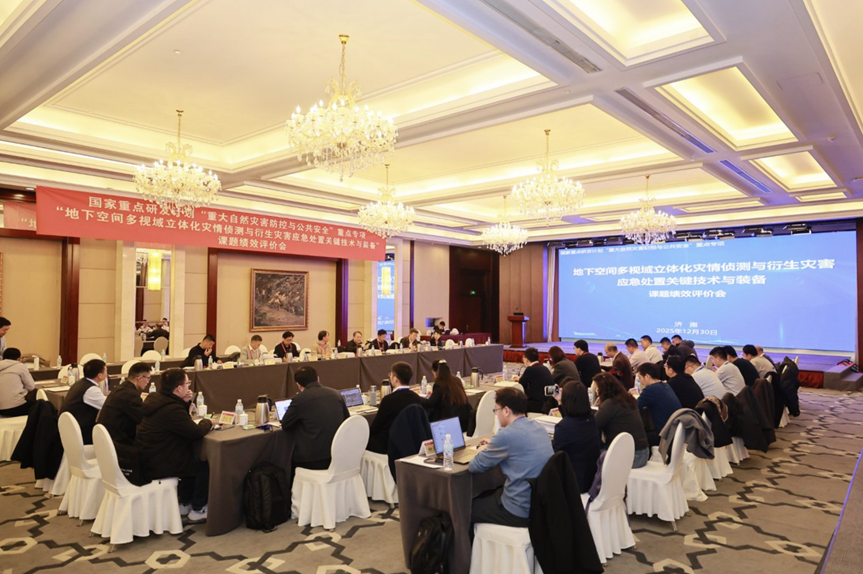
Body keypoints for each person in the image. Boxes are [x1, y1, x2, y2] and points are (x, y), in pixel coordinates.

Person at [469, 387, 553, 530]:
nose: (496, 415)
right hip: (539, 504)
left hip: (518, 509)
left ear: (506, 411)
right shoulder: (538, 427)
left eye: (496, 410)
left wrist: (484, 450)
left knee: (465, 508)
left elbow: (474, 466)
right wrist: (494, 446)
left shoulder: (506, 435)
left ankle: (467, 545)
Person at [137, 368, 212, 522]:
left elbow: (179, 423)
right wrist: (209, 422)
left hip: (148, 454)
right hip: (160, 461)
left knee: (190, 456)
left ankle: (185, 502)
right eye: (187, 384)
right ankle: (198, 508)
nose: (189, 387)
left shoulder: (156, 398)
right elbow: (195, 432)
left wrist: (184, 403)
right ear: (178, 388)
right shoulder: (171, 409)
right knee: (203, 461)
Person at [281, 366, 349, 480]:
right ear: (318, 378)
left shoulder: (299, 399)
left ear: (298, 385)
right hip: (338, 454)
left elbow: (286, 424)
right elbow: (346, 419)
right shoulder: (336, 394)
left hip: (312, 458)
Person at [550, 381, 600, 493]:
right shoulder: (591, 419)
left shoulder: (563, 427)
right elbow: (572, 418)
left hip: (573, 483)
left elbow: (556, 457)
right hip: (591, 477)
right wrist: (560, 402)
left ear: (567, 400)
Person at [593, 372, 649, 467]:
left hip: (633, 456)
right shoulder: (627, 399)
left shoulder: (610, 404)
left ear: (604, 389)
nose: (597, 393)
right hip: (642, 452)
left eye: (597, 389)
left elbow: (594, 425)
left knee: (590, 454)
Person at [367, 362, 423, 453]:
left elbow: (375, 427)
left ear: (395, 379)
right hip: (408, 443)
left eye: (391, 375)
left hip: (387, 444)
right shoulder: (416, 397)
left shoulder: (388, 400)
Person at [99, 362, 151, 444]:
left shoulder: (119, 388)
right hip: (118, 443)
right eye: (148, 378)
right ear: (140, 378)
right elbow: (144, 420)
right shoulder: (131, 395)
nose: (148, 381)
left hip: (105, 440)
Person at [60, 358, 108, 444]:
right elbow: (108, 406)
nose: (107, 374)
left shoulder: (79, 383)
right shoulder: (91, 390)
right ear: (100, 375)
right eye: (106, 371)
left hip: (69, 430)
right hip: (81, 433)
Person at [636, 363, 682, 438]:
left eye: (640, 378)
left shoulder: (650, 390)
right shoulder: (665, 385)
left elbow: (635, 406)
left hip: (664, 434)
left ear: (647, 376)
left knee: (637, 437)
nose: (640, 381)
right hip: (677, 430)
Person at [421, 359, 469, 428]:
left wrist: (416, 397)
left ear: (435, 372)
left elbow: (430, 403)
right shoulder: (457, 380)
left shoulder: (439, 383)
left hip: (448, 419)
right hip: (464, 417)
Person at [0, 348, 35, 417]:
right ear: (18, 358)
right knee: (40, 407)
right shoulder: (20, 366)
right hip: (16, 407)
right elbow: (31, 386)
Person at [518, 347, 553, 413]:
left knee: (515, 404)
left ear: (526, 359)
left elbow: (521, 385)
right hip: (548, 403)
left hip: (537, 404)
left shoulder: (530, 369)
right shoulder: (544, 368)